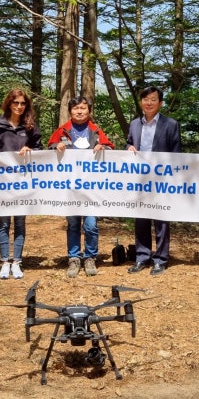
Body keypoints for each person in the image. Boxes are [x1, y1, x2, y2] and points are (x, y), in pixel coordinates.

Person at [47, 96, 115, 278]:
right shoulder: (62, 131)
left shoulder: (96, 131)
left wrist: (103, 148)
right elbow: (48, 150)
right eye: (76, 108)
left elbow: (110, 149)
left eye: (83, 108)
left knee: (91, 225)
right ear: (70, 111)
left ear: (89, 111)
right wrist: (56, 146)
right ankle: (74, 258)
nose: (79, 111)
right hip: (69, 187)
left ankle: (90, 257)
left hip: (92, 188)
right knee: (73, 223)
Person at [0, 89, 42, 280]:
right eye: (15, 102)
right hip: (3, 182)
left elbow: (40, 148)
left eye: (22, 103)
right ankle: (5, 261)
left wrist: (30, 148)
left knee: (20, 223)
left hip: (23, 183)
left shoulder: (30, 125)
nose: (19, 106)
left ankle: (17, 262)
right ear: (9, 103)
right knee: (4, 223)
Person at [125, 86, 182, 276]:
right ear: (141, 102)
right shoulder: (134, 124)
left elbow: (176, 153)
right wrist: (129, 148)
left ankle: (160, 259)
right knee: (141, 219)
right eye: (145, 99)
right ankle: (142, 257)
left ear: (160, 103)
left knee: (161, 220)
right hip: (139, 179)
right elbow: (129, 143)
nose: (149, 103)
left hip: (162, 179)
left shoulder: (171, 124)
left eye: (153, 99)